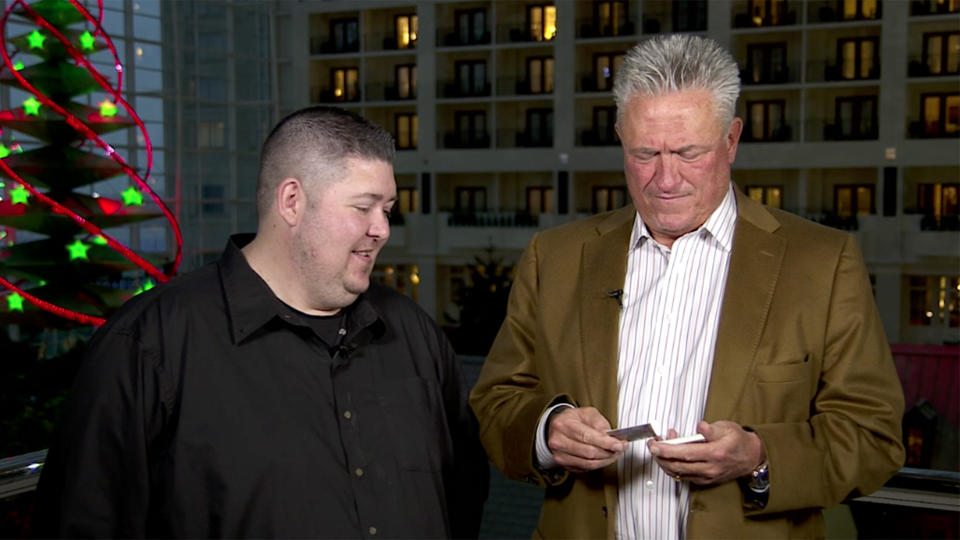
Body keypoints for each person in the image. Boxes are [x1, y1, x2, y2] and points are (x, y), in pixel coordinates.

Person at [469, 34, 904, 539]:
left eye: (688, 152)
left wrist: (760, 457)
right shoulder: (556, 257)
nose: (665, 178)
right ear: (619, 138)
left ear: (732, 140)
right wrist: (546, 431)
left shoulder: (823, 263)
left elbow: (873, 438)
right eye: (645, 153)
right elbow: (497, 402)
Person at [35, 106, 488, 538]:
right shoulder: (150, 345)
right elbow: (86, 520)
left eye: (386, 209)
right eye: (363, 207)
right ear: (292, 201)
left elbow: (463, 493)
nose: (382, 229)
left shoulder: (414, 333)